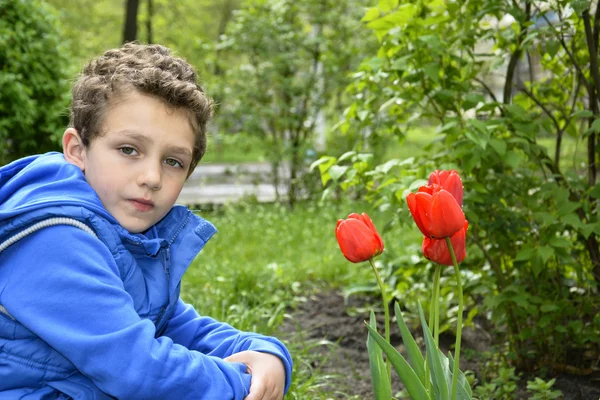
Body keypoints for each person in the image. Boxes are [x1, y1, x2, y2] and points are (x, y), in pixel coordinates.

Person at [0, 43, 292, 400]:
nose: (152, 177)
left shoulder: (129, 234)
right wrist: (243, 383)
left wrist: (266, 354)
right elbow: (138, 370)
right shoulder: (56, 237)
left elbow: (176, 325)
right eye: (129, 150)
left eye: (173, 162)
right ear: (77, 149)